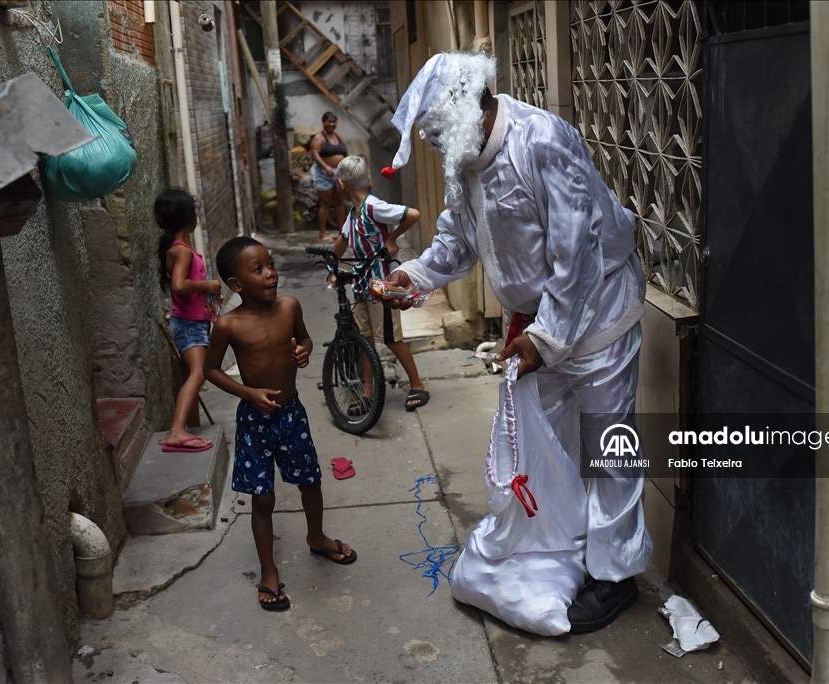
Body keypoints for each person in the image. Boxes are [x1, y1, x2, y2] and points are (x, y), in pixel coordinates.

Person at [378, 53, 651, 633]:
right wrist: (419, 275)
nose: (430, 143)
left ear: (465, 110)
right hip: (539, 323)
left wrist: (543, 337)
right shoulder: (464, 156)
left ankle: (616, 574)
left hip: (597, 308)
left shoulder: (541, 140)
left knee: (608, 444)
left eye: (433, 130)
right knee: (549, 443)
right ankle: (567, 543)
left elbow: (576, 251)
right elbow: (458, 236)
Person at [203, 236, 357, 611]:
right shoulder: (228, 325)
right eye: (258, 269)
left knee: (310, 481)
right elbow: (209, 369)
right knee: (263, 497)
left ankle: (316, 537)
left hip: (291, 414)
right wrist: (247, 393)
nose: (271, 273)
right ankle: (268, 570)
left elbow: (303, 339)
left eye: (270, 264)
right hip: (255, 420)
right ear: (236, 284)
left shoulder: (290, 306)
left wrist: (303, 351)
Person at [326, 155, 429, 412]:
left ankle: (418, 385)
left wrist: (391, 238)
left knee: (392, 339)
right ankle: (367, 391)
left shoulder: (373, 207)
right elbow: (341, 242)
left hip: (383, 284)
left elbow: (412, 214)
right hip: (362, 285)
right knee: (365, 338)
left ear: (341, 184)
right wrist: (331, 267)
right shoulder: (354, 214)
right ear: (367, 179)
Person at [156, 188, 223, 453]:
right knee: (198, 373)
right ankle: (176, 432)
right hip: (190, 325)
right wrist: (208, 285)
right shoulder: (181, 251)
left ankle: (188, 429)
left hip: (191, 322)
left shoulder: (178, 249)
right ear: (188, 218)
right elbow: (181, 285)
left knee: (189, 376)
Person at [309, 111, 348, 242]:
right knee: (325, 203)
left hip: (339, 174)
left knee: (339, 202)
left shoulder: (339, 137)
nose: (331, 124)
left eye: (333, 121)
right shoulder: (319, 137)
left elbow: (345, 153)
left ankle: (342, 232)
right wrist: (326, 167)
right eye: (328, 121)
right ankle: (322, 233)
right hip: (324, 174)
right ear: (323, 123)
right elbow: (315, 153)